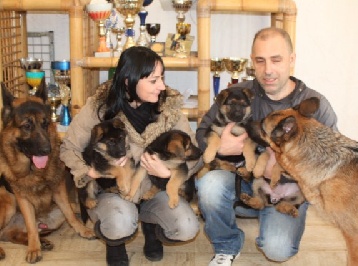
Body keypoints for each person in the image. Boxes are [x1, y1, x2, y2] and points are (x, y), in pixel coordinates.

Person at [196, 27, 338, 265]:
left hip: (287, 189)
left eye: (276, 60)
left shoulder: (315, 105)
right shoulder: (237, 93)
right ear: (252, 61)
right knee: (209, 185)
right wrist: (221, 147)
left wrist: (287, 168)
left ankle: (269, 215)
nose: (268, 70)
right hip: (241, 178)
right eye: (260, 61)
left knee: (278, 249)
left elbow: (333, 159)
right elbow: (201, 133)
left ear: (292, 60)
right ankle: (226, 244)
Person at [60, 46, 202, 266]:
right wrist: (88, 171)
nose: (162, 86)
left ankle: (150, 224)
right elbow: (68, 148)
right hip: (114, 189)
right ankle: (115, 242)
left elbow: (195, 155)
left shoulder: (169, 107)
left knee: (186, 227)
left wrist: (166, 173)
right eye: (154, 80)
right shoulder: (98, 106)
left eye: (162, 78)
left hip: (154, 189)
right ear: (129, 81)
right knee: (119, 223)